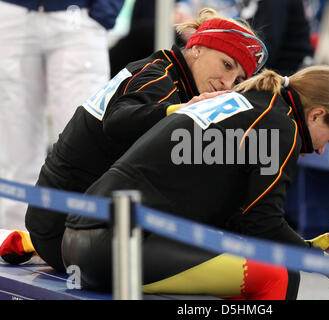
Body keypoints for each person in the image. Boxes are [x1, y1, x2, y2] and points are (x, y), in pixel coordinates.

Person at [62, 65, 329, 300]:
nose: (320, 149)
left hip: (81, 242)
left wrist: (309, 247)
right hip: (114, 247)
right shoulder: (279, 125)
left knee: (247, 265)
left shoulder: (249, 104)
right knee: (280, 274)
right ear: (316, 115)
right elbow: (262, 222)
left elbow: (241, 219)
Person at [21, 8, 267, 273]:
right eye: (227, 65)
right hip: (66, 234)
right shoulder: (159, 77)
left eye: (239, 79)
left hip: (67, 225)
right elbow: (116, 121)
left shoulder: (171, 75)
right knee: (252, 272)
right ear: (197, 48)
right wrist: (178, 111)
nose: (228, 83)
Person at [0, 0, 124, 231]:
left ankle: (84, 237)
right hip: (10, 15)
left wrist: (108, 7)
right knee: (13, 140)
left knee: (85, 136)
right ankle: (15, 239)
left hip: (79, 17)